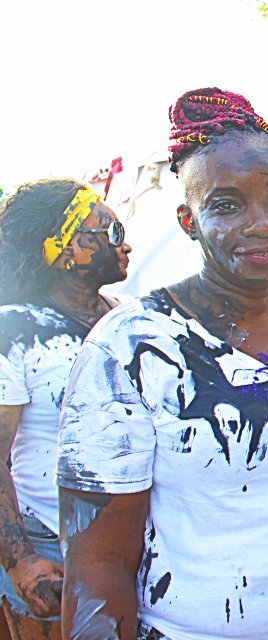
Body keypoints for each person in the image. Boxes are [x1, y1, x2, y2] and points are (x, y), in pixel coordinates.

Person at [56, 88, 268, 640]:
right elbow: (98, 564)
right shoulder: (132, 347)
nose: (262, 223)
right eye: (226, 205)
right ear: (188, 221)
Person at [0, 179, 131, 639]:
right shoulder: (13, 329)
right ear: (64, 249)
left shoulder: (129, 317)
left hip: (131, 544)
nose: (126, 243)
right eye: (111, 232)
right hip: (49, 551)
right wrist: (20, 561)